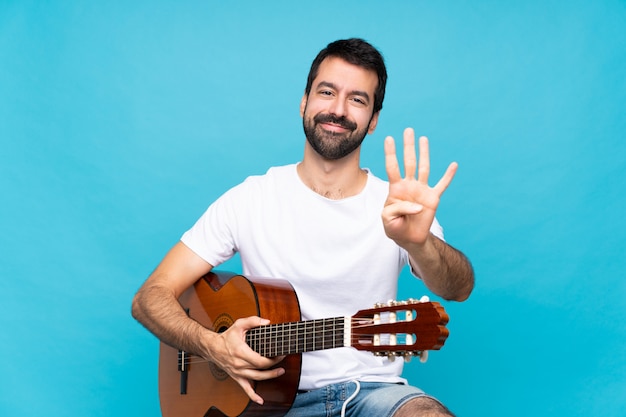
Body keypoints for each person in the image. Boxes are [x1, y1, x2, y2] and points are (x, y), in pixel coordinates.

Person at [132, 38, 474, 417]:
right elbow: (150, 296)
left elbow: (457, 289)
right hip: (264, 403)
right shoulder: (250, 198)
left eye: (358, 100)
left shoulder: (399, 207)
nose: (338, 110)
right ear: (304, 102)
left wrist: (420, 242)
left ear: (373, 119)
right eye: (327, 92)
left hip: (372, 393)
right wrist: (211, 346)